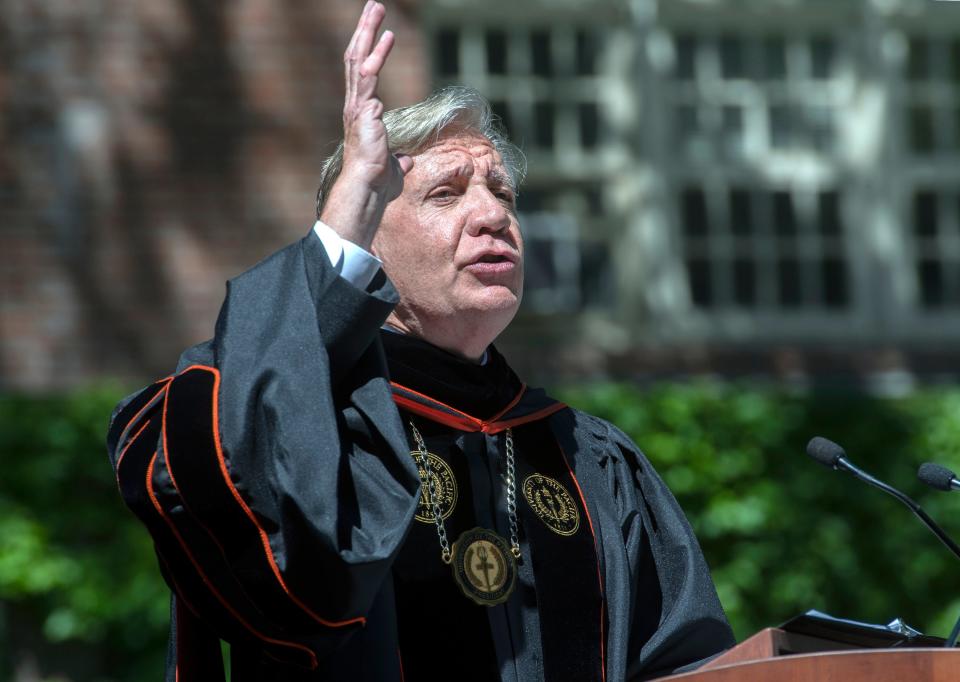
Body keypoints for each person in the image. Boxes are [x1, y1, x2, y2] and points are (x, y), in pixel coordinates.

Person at [106, 3, 735, 680]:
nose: (494, 214)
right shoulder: (316, 429)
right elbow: (218, 464)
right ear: (368, 236)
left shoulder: (589, 459)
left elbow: (685, 662)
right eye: (446, 193)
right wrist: (344, 215)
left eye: (502, 192)